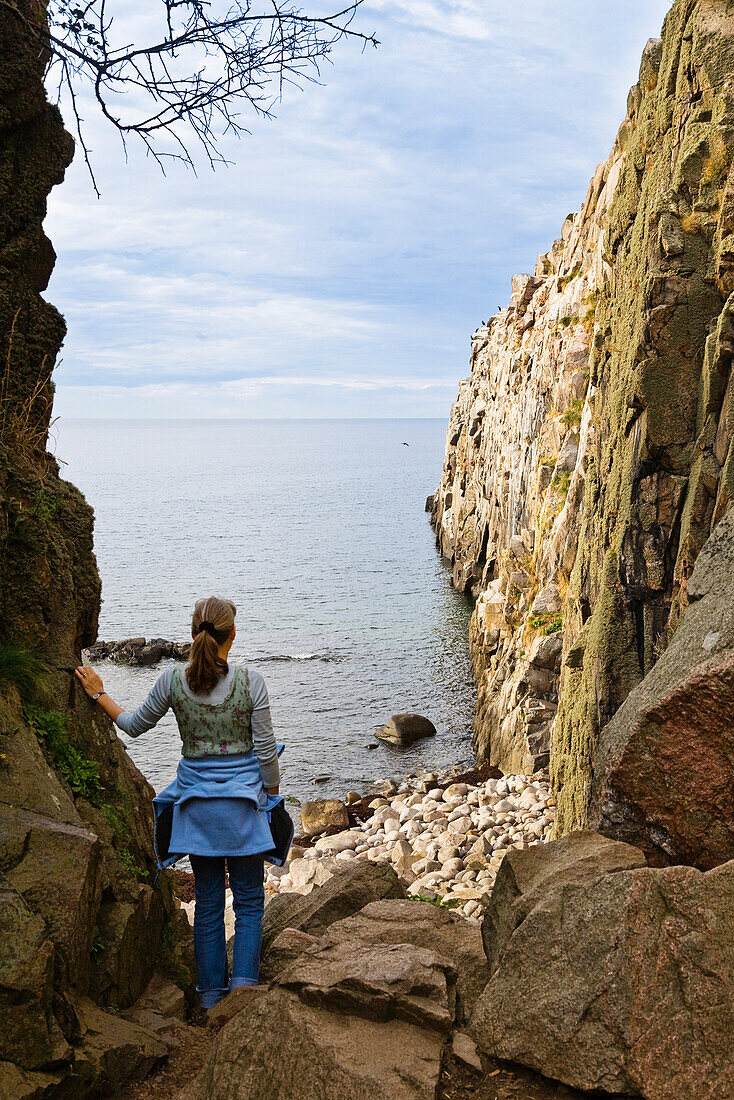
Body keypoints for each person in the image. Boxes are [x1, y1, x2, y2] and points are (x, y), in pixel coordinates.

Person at [75, 596, 281, 1009]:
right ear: (232, 635)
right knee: (249, 902)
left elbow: (133, 726)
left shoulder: (173, 682)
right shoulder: (251, 682)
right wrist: (271, 800)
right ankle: (242, 994)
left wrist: (99, 694)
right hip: (243, 809)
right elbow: (265, 755)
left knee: (207, 902)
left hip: (197, 810)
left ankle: (208, 999)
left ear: (192, 635)